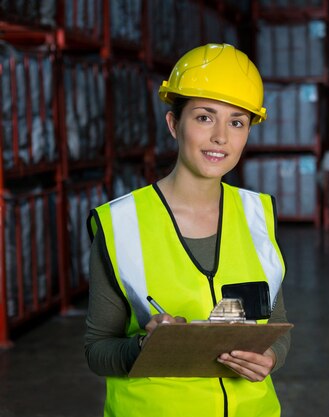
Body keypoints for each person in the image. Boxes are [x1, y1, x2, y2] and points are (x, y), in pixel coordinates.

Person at [84, 43, 290, 417]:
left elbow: (275, 323)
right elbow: (98, 351)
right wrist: (145, 346)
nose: (221, 138)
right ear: (173, 124)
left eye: (237, 122)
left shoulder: (257, 214)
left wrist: (271, 358)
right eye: (205, 117)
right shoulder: (121, 224)